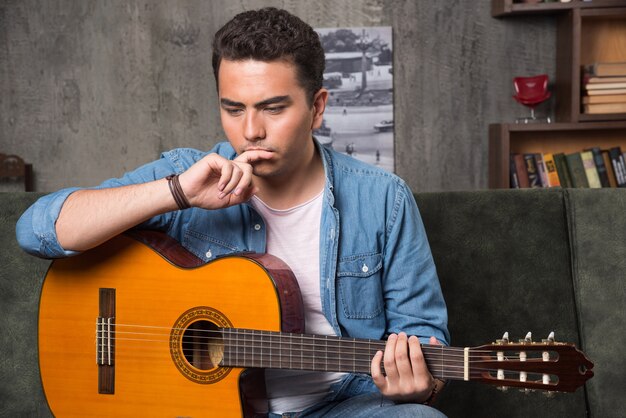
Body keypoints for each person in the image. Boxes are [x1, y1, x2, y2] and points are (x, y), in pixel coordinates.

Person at [16, 7, 449, 418]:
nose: (251, 131)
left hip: (341, 405)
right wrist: (178, 193)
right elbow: (37, 230)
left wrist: (419, 383)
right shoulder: (184, 173)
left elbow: (422, 336)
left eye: (273, 108)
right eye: (233, 108)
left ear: (317, 106)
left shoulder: (384, 198)